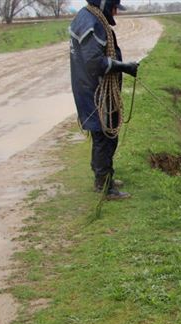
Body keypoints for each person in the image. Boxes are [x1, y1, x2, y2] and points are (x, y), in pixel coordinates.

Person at [69, 0, 139, 199]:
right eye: (114, 7)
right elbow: (94, 63)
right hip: (94, 91)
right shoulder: (90, 23)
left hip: (92, 89)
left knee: (105, 135)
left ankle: (103, 176)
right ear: (105, 4)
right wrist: (124, 67)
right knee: (104, 136)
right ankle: (105, 186)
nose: (115, 12)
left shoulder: (87, 17)